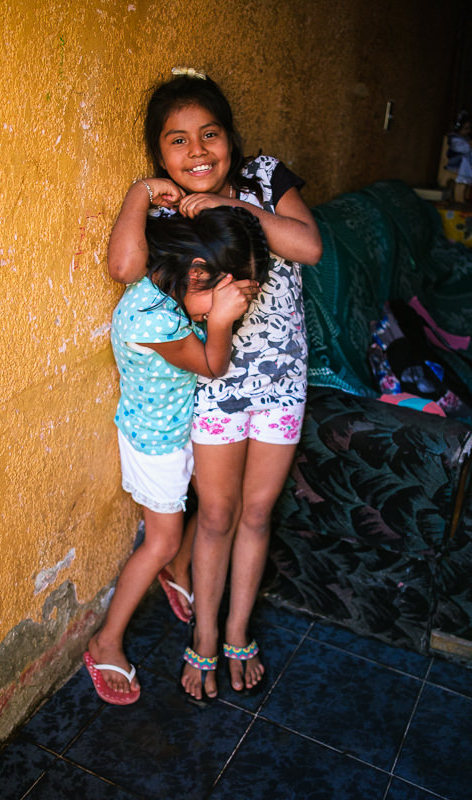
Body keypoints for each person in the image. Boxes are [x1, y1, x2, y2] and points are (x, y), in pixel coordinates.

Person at [107, 67, 322, 705]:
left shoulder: (264, 178)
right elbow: (124, 268)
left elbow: (307, 246)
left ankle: (236, 634)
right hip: (213, 378)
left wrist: (231, 204)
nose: (197, 151)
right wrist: (140, 194)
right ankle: (201, 638)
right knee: (219, 514)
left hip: (280, 377)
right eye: (178, 141)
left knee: (258, 513)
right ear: (160, 153)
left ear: (231, 137)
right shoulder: (166, 206)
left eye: (210, 134)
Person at [84, 206, 267, 704]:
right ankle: (106, 639)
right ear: (194, 272)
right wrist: (223, 321)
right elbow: (211, 363)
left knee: (210, 506)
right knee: (160, 541)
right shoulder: (154, 321)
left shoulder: (164, 286)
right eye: (220, 298)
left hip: (177, 426)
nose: (222, 310)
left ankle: (178, 569)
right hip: (156, 445)